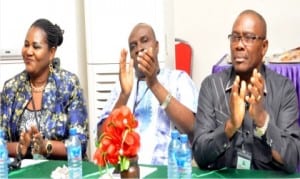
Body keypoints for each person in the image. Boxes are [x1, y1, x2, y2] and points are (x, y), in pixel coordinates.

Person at [192, 9, 300, 173]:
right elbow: (200, 154)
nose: (239, 45)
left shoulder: (284, 90)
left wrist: (263, 121)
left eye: (248, 38)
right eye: (235, 37)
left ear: (264, 47)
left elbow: (292, 159)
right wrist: (230, 126)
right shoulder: (211, 86)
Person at [97, 23, 198, 165]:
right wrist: (124, 96)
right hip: (128, 171)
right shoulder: (122, 85)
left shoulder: (179, 79)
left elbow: (192, 128)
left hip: (167, 172)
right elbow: (102, 139)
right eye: (133, 46)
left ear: (157, 46)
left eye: (144, 41)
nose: (139, 48)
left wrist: (154, 84)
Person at [0, 18, 88, 160]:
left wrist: (46, 146)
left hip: (62, 172)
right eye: (26, 45)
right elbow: (1, 141)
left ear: (51, 52)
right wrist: (20, 147)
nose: (28, 51)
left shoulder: (68, 85)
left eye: (36, 47)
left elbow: (80, 143)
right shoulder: (11, 88)